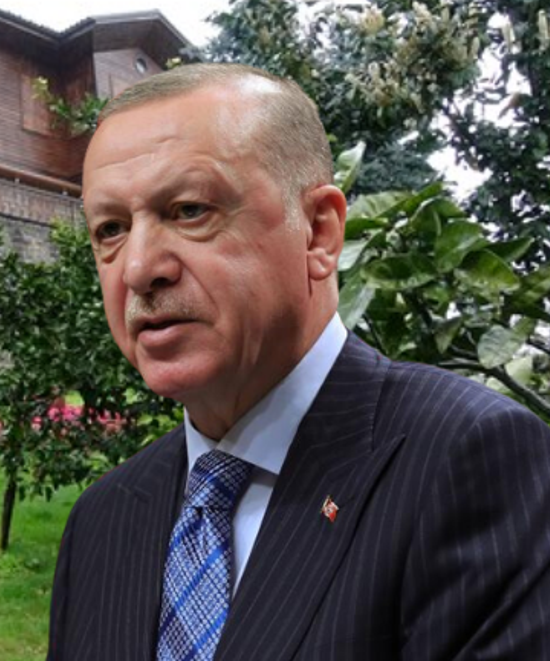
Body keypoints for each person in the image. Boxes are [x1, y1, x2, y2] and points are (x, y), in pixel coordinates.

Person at [45, 63, 550, 660]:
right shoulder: (101, 520)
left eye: (189, 210)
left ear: (318, 232)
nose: (138, 269)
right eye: (110, 229)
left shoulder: (468, 461)